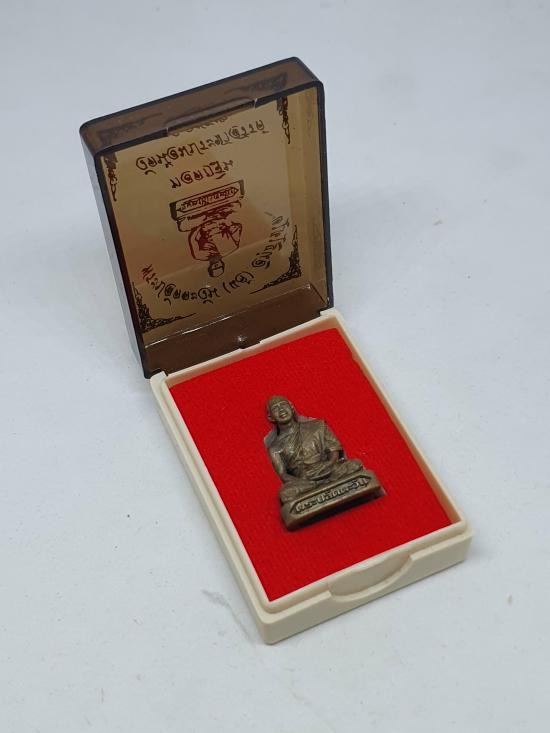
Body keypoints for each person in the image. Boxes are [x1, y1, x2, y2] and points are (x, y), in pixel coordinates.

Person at [264, 395, 363, 504]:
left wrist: (329, 464)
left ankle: (318, 490)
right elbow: (283, 475)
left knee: (354, 464)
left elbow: (333, 449)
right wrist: (303, 480)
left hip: (328, 469)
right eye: (275, 408)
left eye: (283, 404)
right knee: (286, 494)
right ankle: (326, 486)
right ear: (270, 417)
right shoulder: (275, 448)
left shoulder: (317, 426)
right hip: (304, 480)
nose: (281, 409)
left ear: (291, 407)